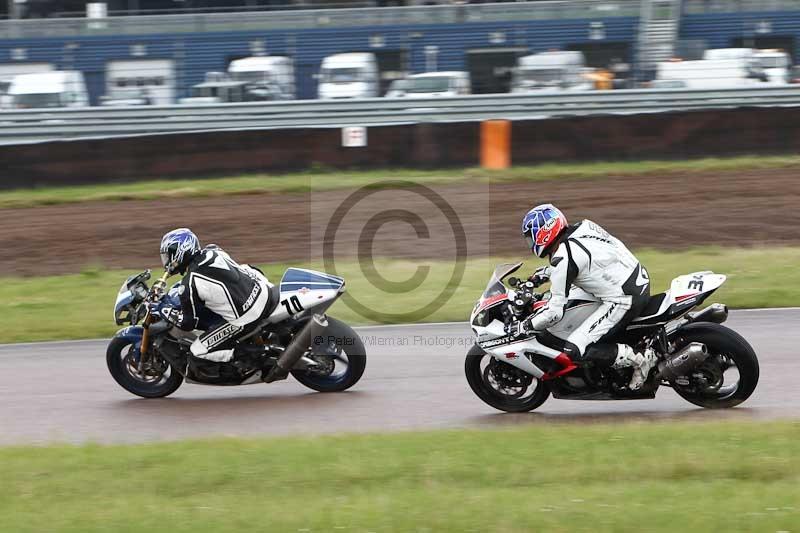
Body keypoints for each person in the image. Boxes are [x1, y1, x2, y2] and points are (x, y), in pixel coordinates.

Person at [513, 204, 657, 390]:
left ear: (544, 233)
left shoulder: (564, 259)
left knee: (575, 350)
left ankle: (640, 358)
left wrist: (525, 326)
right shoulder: (584, 226)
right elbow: (589, 260)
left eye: (530, 237)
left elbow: (554, 313)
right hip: (633, 277)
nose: (530, 243)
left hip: (623, 299)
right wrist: (546, 273)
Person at [154, 228, 276, 368]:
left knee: (197, 351)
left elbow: (188, 324)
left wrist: (163, 309)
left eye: (168, 256)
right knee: (244, 268)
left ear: (179, 253)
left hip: (247, 316)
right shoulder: (213, 250)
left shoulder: (189, 284)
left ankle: (254, 355)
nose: (167, 261)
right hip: (262, 292)